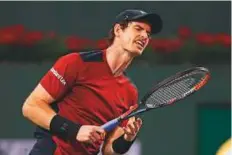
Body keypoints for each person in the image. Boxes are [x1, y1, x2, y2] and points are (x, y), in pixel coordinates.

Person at [22, 9, 162, 155]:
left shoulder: (130, 92)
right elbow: (31, 106)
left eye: (148, 33)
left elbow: (108, 150)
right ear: (118, 30)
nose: (144, 36)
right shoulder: (76, 63)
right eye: (138, 28)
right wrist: (75, 130)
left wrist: (127, 139)